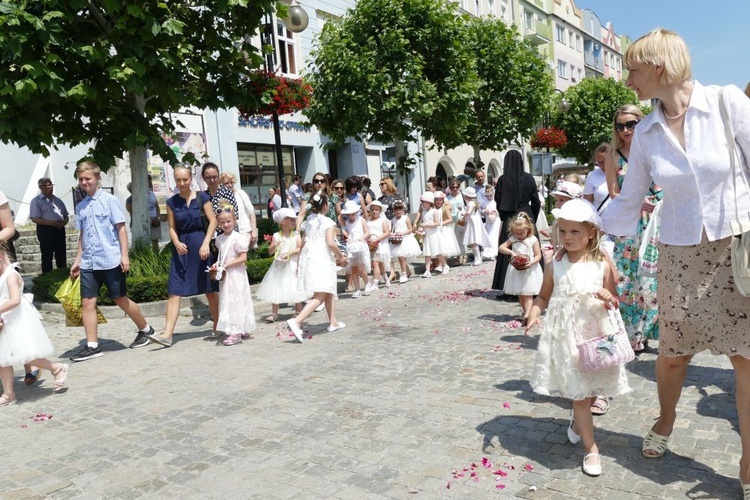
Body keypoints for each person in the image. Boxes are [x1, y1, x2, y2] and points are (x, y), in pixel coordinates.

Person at [602, 29, 750, 492]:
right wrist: (586, 239)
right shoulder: (645, 131)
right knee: (672, 355)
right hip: (680, 252)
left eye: (632, 69)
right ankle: (665, 420)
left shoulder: (727, 102)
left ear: (658, 68)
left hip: (737, 247)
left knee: (745, 358)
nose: (628, 81)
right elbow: (629, 200)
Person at [527, 199, 630, 477]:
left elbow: (614, 300)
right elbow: (544, 295)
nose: (568, 238)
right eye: (563, 232)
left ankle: (575, 425)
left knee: (594, 387)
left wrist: (609, 297)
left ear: (591, 233)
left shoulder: (602, 264)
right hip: (567, 337)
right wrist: (534, 312)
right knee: (581, 395)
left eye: (575, 232)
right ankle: (591, 449)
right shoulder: (554, 264)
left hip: (597, 335)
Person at [69, 162, 154, 361]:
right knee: (87, 302)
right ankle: (92, 345)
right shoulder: (81, 206)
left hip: (110, 259)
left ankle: (146, 329)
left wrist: (124, 256)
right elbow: (83, 235)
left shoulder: (110, 200)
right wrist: (77, 260)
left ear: (97, 178)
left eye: (87, 178)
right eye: (81, 179)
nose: (84, 182)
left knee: (120, 298)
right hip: (89, 262)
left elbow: (121, 229)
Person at [604, 104, 661, 353]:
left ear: (641, 122)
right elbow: (614, 192)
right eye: (620, 126)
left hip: (658, 222)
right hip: (629, 223)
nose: (626, 130)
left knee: (655, 280)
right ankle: (632, 334)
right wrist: (637, 201)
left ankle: (654, 332)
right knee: (628, 281)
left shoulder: (657, 148)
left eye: (631, 124)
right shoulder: (614, 156)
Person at [147, 164, 219, 348]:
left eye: (185, 179)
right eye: (178, 180)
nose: (182, 183)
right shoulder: (171, 202)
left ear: (191, 178)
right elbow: (171, 227)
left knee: (210, 290)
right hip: (182, 250)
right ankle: (167, 334)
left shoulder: (202, 197)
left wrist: (205, 243)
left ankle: (218, 326)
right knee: (174, 290)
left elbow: (213, 221)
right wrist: (176, 242)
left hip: (201, 246)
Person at [0, 243, 69, 405]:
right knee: (2, 358)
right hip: (4, 317)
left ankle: (56, 367)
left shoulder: (11, 276)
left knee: (24, 354)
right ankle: (9, 393)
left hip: (15, 318)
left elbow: (15, 300)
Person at [287, 192, 348, 343]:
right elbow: (331, 243)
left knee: (328, 290)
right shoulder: (328, 222)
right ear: (326, 206)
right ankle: (297, 321)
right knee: (319, 296)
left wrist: (300, 262)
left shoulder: (308, 221)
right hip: (322, 258)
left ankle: (333, 322)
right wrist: (341, 257)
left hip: (310, 257)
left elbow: (303, 242)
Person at [492, 150, 541, 293]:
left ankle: (508, 288)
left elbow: (498, 201)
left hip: (509, 219)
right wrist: (532, 219)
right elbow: (536, 201)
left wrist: (504, 216)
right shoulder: (529, 178)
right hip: (526, 216)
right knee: (532, 250)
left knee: (508, 250)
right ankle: (534, 285)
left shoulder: (502, 180)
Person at [207, 201, 255, 346]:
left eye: (228, 221)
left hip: (236, 274)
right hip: (226, 275)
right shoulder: (220, 239)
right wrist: (217, 264)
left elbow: (243, 258)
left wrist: (226, 265)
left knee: (237, 301)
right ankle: (240, 328)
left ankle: (236, 331)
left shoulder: (239, 238)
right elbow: (222, 256)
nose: (226, 224)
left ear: (234, 220)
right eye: (222, 222)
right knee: (228, 300)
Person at [256, 208, 309, 322]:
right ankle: (274, 313)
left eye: (295, 220)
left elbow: (300, 248)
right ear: (283, 222)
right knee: (277, 287)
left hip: (292, 264)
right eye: (292, 220)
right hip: (279, 266)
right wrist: (274, 246)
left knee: (295, 287)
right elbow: (270, 251)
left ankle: (298, 311)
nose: (294, 222)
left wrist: (288, 253)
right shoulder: (276, 235)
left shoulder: (295, 234)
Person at [498, 213, 543, 320]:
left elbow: (538, 255)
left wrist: (531, 262)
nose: (519, 235)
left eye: (522, 233)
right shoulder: (513, 238)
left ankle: (528, 314)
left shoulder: (533, 239)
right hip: (517, 270)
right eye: (517, 233)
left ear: (528, 229)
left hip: (530, 270)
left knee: (528, 293)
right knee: (521, 293)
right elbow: (501, 247)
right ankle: (525, 312)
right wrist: (512, 253)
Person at [29, 178, 69, 273]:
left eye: (50, 185)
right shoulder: (36, 201)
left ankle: (62, 273)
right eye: (46, 185)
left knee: (61, 253)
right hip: (46, 229)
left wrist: (63, 223)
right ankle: (47, 275)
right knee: (47, 253)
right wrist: (52, 223)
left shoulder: (58, 200)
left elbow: (66, 216)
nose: (49, 187)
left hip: (59, 228)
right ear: (40, 187)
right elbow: (35, 218)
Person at [341, 200, 371, 297]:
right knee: (353, 269)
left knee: (361, 268)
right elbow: (346, 232)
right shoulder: (346, 223)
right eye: (349, 215)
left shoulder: (361, 220)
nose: (351, 216)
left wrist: (362, 238)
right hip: (351, 247)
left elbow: (367, 232)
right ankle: (357, 289)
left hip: (360, 246)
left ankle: (367, 283)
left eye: (353, 214)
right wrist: (347, 237)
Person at [125, 176, 161, 252]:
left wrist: (157, 218)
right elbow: (134, 213)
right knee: (142, 244)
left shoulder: (152, 194)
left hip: (154, 222)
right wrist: (149, 220)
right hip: (140, 224)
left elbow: (156, 206)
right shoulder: (130, 199)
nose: (148, 183)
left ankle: (157, 260)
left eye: (149, 181)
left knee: (155, 243)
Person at [220, 173, 258, 246]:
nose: (230, 185)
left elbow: (251, 212)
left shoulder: (240, 193)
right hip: (229, 233)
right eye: (226, 183)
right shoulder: (222, 198)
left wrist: (254, 230)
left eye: (231, 182)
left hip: (244, 231)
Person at [389, 200, 420, 283]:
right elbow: (391, 230)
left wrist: (402, 233)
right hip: (397, 240)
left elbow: (410, 229)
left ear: (403, 210)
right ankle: (407, 271)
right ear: (394, 210)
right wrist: (393, 234)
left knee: (401, 256)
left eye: (400, 210)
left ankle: (404, 274)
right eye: (396, 210)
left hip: (405, 239)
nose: (398, 211)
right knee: (400, 257)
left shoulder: (406, 218)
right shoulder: (393, 220)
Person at [418, 192, 447, 278]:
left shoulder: (434, 211)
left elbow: (437, 223)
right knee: (427, 253)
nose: (423, 204)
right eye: (422, 202)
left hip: (434, 234)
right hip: (427, 234)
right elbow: (423, 222)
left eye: (424, 202)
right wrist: (421, 228)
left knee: (436, 252)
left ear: (429, 202)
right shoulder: (423, 212)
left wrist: (426, 225)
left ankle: (445, 265)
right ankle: (427, 271)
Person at [365, 200, 391, 289]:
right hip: (371, 245)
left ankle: (375, 283)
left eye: (376, 210)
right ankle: (386, 279)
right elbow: (367, 232)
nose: (374, 212)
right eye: (372, 210)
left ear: (380, 210)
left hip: (381, 245)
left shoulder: (383, 221)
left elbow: (387, 232)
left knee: (375, 263)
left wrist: (377, 239)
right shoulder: (368, 221)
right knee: (380, 264)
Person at [461, 187, 491, 266]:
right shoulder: (473, 203)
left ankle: (478, 258)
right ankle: (477, 257)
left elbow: (469, 212)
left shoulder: (471, 203)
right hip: (473, 223)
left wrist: (463, 214)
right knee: (473, 241)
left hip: (473, 224)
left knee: (473, 241)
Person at [433, 191, 461, 267]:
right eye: (437, 200)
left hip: (444, 229)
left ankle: (443, 265)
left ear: (443, 200)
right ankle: (442, 265)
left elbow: (450, 219)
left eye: (440, 200)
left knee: (444, 248)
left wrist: (442, 223)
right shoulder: (433, 210)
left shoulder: (445, 208)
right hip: (437, 230)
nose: (438, 202)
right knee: (439, 247)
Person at [583, 144, 612, 214]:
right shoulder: (592, 175)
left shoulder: (623, 173)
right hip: (601, 220)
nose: (601, 166)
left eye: (603, 162)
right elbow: (588, 203)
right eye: (598, 163)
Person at [446, 178, 467, 264]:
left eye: (456, 187)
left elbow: (468, 206)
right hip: (453, 220)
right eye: (452, 187)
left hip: (462, 219)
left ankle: (465, 255)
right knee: (456, 238)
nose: (455, 189)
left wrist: (463, 209)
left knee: (463, 237)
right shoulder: (447, 198)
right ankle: (457, 257)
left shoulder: (462, 195)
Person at [482, 185, 501, 260]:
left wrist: (496, 212)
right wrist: (485, 211)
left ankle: (494, 253)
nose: (489, 197)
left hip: (496, 221)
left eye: (490, 195)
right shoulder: (484, 202)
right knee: (489, 235)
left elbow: (499, 210)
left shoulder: (496, 201)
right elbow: (481, 210)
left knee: (495, 236)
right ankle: (488, 253)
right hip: (489, 221)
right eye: (487, 196)